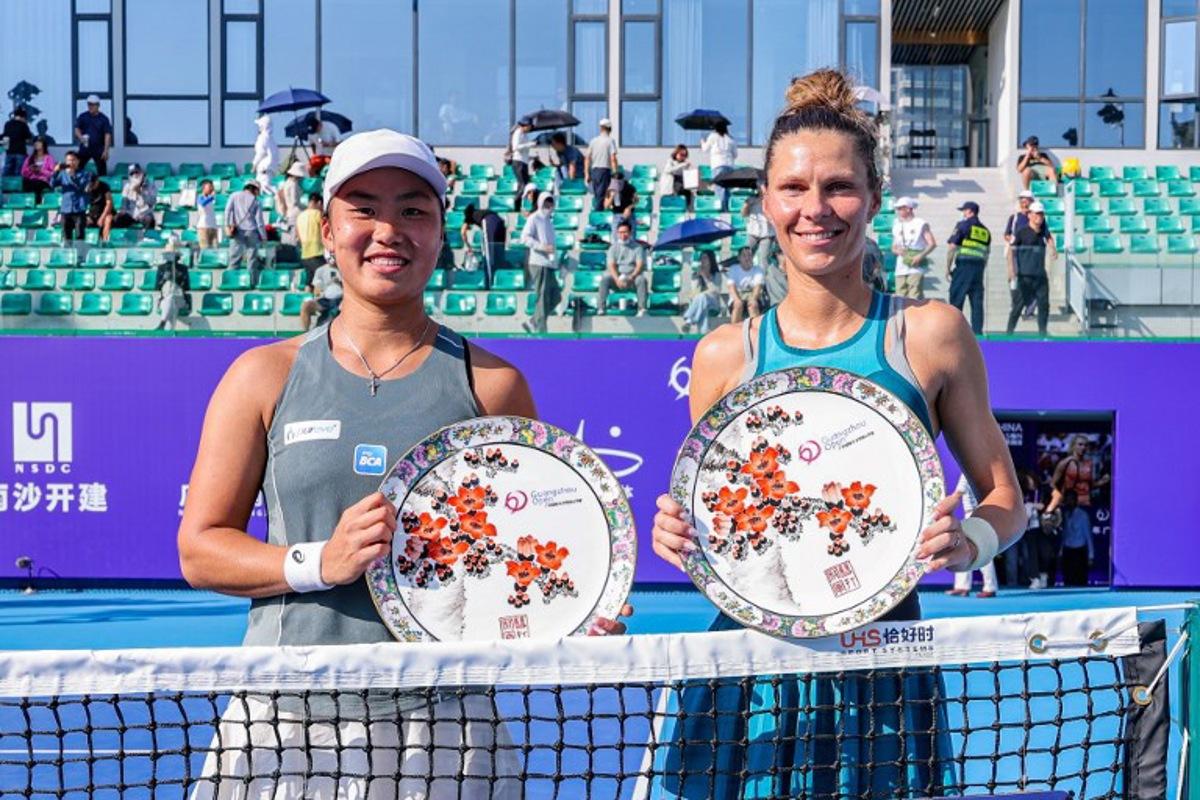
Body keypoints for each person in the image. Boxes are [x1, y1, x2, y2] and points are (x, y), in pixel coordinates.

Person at [178, 129, 630, 798]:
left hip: (446, 724)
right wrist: (316, 563)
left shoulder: (494, 385)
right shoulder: (261, 376)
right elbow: (201, 550)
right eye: (364, 208)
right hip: (283, 714)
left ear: (442, 233)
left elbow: (534, 553)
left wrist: (576, 611)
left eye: (413, 210)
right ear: (327, 231)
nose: (389, 230)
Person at [649, 69, 1026, 798]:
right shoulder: (724, 354)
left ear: (875, 199)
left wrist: (968, 543)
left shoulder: (931, 334)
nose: (815, 210)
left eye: (839, 188)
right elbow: (717, 514)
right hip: (748, 673)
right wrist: (680, 531)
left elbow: (1006, 499)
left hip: (883, 668)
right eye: (793, 188)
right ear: (765, 202)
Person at [1006, 200, 1056, 335]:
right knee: (1018, 306)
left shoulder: (1044, 232)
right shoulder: (1022, 232)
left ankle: (1042, 333)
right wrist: (1012, 270)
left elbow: (1050, 239)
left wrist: (1053, 249)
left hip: (1040, 275)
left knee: (1044, 305)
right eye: (1036, 214)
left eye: (1041, 214)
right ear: (1030, 215)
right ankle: (1009, 332)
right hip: (1024, 275)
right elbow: (1011, 250)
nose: (1039, 217)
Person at [945, 473, 998, 597]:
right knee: (965, 549)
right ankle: (962, 586)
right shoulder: (977, 473)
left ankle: (989, 587)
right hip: (975, 514)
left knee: (983, 551)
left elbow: (957, 495)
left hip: (974, 515)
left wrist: (942, 510)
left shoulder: (966, 474)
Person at [945, 201, 991, 335]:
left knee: (956, 301)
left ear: (970, 211)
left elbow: (952, 247)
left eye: (964, 211)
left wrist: (948, 267)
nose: (963, 213)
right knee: (977, 304)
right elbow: (986, 253)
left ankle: (954, 332)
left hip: (963, 268)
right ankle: (977, 333)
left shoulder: (963, 225)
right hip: (979, 270)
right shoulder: (985, 231)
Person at [521, 193, 561, 334]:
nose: (548, 207)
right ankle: (541, 329)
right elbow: (525, 238)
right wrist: (542, 247)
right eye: (546, 203)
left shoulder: (549, 222)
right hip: (538, 262)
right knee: (542, 296)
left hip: (549, 264)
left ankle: (533, 321)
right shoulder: (534, 218)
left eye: (550, 204)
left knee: (556, 296)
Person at [599, 219, 648, 316]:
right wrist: (617, 278)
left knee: (641, 279)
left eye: (625, 232)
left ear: (630, 233)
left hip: (632, 277)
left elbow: (639, 264)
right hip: (617, 277)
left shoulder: (638, 247)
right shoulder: (613, 248)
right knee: (605, 278)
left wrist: (632, 276)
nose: (623, 235)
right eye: (620, 232)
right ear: (617, 233)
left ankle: (642, 308)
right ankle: (601, 308)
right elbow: (611, 265)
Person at [890, 196, 935, 299]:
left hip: (916, 266)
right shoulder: (897, 224)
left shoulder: (920, 223)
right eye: (898, 208)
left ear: (909, 209)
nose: (898, 211)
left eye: (901, 208)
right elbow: (893, 246)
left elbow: (932, 243)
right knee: (899, 296)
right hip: (901, 265)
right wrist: (898, 251)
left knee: (914, 296)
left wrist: (920, 256)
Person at [225, 179, 267, 285]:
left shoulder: (234, 195)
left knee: (234, 258)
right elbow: (260, 222)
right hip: (252, 231)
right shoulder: (256, 201)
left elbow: (227, 211)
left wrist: (228, 225)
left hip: (237, 230)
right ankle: (251, 283)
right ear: (255, 189)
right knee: (251, 259)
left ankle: (231, 282)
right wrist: (263, 236)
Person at [461, 204, 506, 289]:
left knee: (489, 254)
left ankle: (489, 282)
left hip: (489, 221)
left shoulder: (469, 217)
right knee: (499, 252)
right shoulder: (480, 212)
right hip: (500, 221)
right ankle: (499, 280)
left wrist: (468, 246)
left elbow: (463, 233)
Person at [50, 151, 92, 242]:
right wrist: (55, 172)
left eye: (73, 160)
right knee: (66, 236)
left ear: (78, 161)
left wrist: (72, 175)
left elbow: (82, 187)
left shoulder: (86, 174)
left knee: (79, 235)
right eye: (68, 160)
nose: (71, 163)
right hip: (66, 208)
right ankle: (68, 254)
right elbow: (52, 185)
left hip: (79, 209)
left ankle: (80, 254)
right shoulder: (62, 174)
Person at [154, 237, 191, 331]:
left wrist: (179, 279)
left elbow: (187, 287)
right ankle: (169, 332)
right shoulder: (161, 268)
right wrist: (163, 280)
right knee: (170, 301)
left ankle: (163, 323)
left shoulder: (183, 268)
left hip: (180, 299)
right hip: (165, 299)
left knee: (172, 299)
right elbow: (156, 287)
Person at [681, 250, 722, 334]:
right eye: (701, 258)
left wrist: (705, 277)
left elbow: (715, 292)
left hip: (713, 304)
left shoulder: (717, 275)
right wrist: (698, 278)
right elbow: (693, 294)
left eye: (705, 258)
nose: (702, 261)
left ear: (711, 260)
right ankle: (703, 333)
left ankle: (689, 319)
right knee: (703, 301)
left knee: (703, 296)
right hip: (701, 304)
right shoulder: (695, 275)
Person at [1058, 491, 1093, 586]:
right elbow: (1064, 534)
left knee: (1080, 579)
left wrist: (1090, 555)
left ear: (1076, 500)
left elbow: (1088, 535)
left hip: (1079, 551)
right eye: (1067, 499)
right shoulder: (1065, 514)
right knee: (1067, 579)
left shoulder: (1083, 515)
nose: (1069, 502)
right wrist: (1061, 551)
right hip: (1067, 550)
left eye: (1071, 499)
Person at [701, 121, 737, 211]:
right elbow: (735, 154)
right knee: (727, 189)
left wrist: (702, 141)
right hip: (729, 166)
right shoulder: (730, 139)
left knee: (719, 189)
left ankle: (720, 210)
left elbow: (705, 149)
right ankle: (727, 210)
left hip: (718, 165)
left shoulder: (713, 136)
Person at [300, 257, 343, 331]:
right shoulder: (320, 270)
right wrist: (320, 290)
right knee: (306, 306)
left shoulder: (345, 269)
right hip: (325, 299)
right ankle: (305, 333)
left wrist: (340, 283)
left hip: (342, 299)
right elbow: (317, 289)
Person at [584, 119, 618, 211]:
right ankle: (598, 218)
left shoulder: (593, 141)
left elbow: (587, 158)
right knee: (602, 196)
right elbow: (613, 159)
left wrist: (587, 173)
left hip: (594, 171)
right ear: (610, 129)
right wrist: (615, 173)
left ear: (600, 128)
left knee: (598, 195)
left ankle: (599, 214)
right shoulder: (610, 141)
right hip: (604, 170)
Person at [74, 95, 113, 176]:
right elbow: (77, 129)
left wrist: (106, 150)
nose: (90, 107)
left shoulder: (104, 119)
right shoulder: (83, 116)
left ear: (98, 105)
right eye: (89, 104)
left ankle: (102, 187)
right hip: (85, 148)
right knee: (77, 168)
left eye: (92, 105)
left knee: (102, 172)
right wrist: (81, 137)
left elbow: (107, 135)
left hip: (99, 149)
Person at [725, 246, 764, 323]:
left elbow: (758, 287)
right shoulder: (733, 269)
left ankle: (756, 332)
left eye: (749, 255)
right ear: (739, 258)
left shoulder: (758, 269)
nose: (747, 258)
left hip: (752, 296)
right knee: (737, 305)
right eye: (744, 255)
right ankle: (734, 330)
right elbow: (731, 286)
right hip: (737, 296)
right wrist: (737, 299)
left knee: (753, 304)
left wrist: (753, 298)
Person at [113, 164, 158, 230]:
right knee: (118, 218)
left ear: (141, 173)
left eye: (137, 172)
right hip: (131, 214)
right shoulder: (127, 186)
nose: (135, 175)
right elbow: (124, 203)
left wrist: (140, 192)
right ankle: (121, 238)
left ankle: (147, 238)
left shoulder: (151, 186)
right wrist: (122, 211)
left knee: (149, 220)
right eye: (132, 174)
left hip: (144, 213)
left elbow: (152, 202)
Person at [296, 193, 326, 288]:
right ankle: (319, 301)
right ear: (319, 203)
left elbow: (298, 236)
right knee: (322, 281)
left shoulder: (300, 216)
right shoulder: (318, 214)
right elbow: (326, 231)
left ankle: (307, 299)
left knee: (309, 282)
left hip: (304, 254)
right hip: (317, 252)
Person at [741, 184, 775, 267]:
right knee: (746, 254)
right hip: (753, 232)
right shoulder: (751, 199)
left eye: (762, 186)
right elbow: (743, 214)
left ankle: (762, 278)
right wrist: (747, 205)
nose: (760, 188)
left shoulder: (772, 200)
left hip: (768, 234)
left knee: (763, 259)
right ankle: (746, 275)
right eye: (759, 186)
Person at [276, 161, 306, 244]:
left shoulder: (286, 183)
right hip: (294, 212)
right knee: (293, 238)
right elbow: (294, 202)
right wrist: (306, 208)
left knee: (288, 238)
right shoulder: (293, 184)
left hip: (288, 213)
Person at [19, 137, 54, 203]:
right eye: (35, 142)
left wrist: (40, 170)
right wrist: (30, 169)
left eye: (39, 142)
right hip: (31, 181)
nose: (36, 144)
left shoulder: (49, 158)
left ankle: (37, 204)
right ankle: (28, 204)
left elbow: (52, 173)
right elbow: (23, 172)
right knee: (26, 183)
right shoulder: (30, 158)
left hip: (43, 181)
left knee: (37, 185)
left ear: (43, 144)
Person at [508, 119, 535, 198]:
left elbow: (524, 151)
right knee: (522, 185)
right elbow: (515, 147)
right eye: (529, 126)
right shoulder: (518, 133)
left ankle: (520, 205)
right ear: (525, 125)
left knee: (526, 185)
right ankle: (515, 203)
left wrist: (532, 157)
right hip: (518, 162)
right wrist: (529, 144)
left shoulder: (525, 134)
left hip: (524, 162)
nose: (530, 128)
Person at [661, 145, 694, 211]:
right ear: (676, 153)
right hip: (671, 190)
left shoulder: (685, 164)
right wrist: (682, 165)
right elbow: (669, 170)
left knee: (689, 195)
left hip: (683, 190)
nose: (683, 157)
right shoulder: (670, 162)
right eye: (681, 155)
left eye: (685, 155)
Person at [2, 106, 32, 178]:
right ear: (23, 117)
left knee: (7, 171)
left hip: (9, 152)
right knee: (19, 172)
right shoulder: (23, 125)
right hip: (20, 152)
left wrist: (6, 150)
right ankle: (17, 188)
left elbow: (5, 138)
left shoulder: (7, 124)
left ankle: (5, 187)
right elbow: (28, 139)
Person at [252, 114, 279, 190]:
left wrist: (254, 165)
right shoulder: (272, 140)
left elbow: (260, 153)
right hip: (270, 172)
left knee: (264, 191)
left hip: (263, 171)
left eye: (259, 126)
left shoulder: (262, 138)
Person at [85, 171, 114, 242]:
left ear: (97, 180)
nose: (92, 185)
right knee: (81, 220)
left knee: (108, 219)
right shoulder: (87, 187)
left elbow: (109, 203)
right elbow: (82, 204)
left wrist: (102, 217)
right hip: (92, 213)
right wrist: (86, 216)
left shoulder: (104, 186)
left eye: (93, 183)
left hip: (104, 212)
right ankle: (87, 242)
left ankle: (105, 241)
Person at [196, 179, 219, 249]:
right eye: (209, 187)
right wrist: (211, 197)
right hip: (204, 227)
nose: (211, 189)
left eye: (212, 187)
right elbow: (202, 203)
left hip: (213, 226)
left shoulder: (212, 199)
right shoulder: (200, 197)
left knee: (215, 248)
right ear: (204, 188)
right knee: (205, 248)